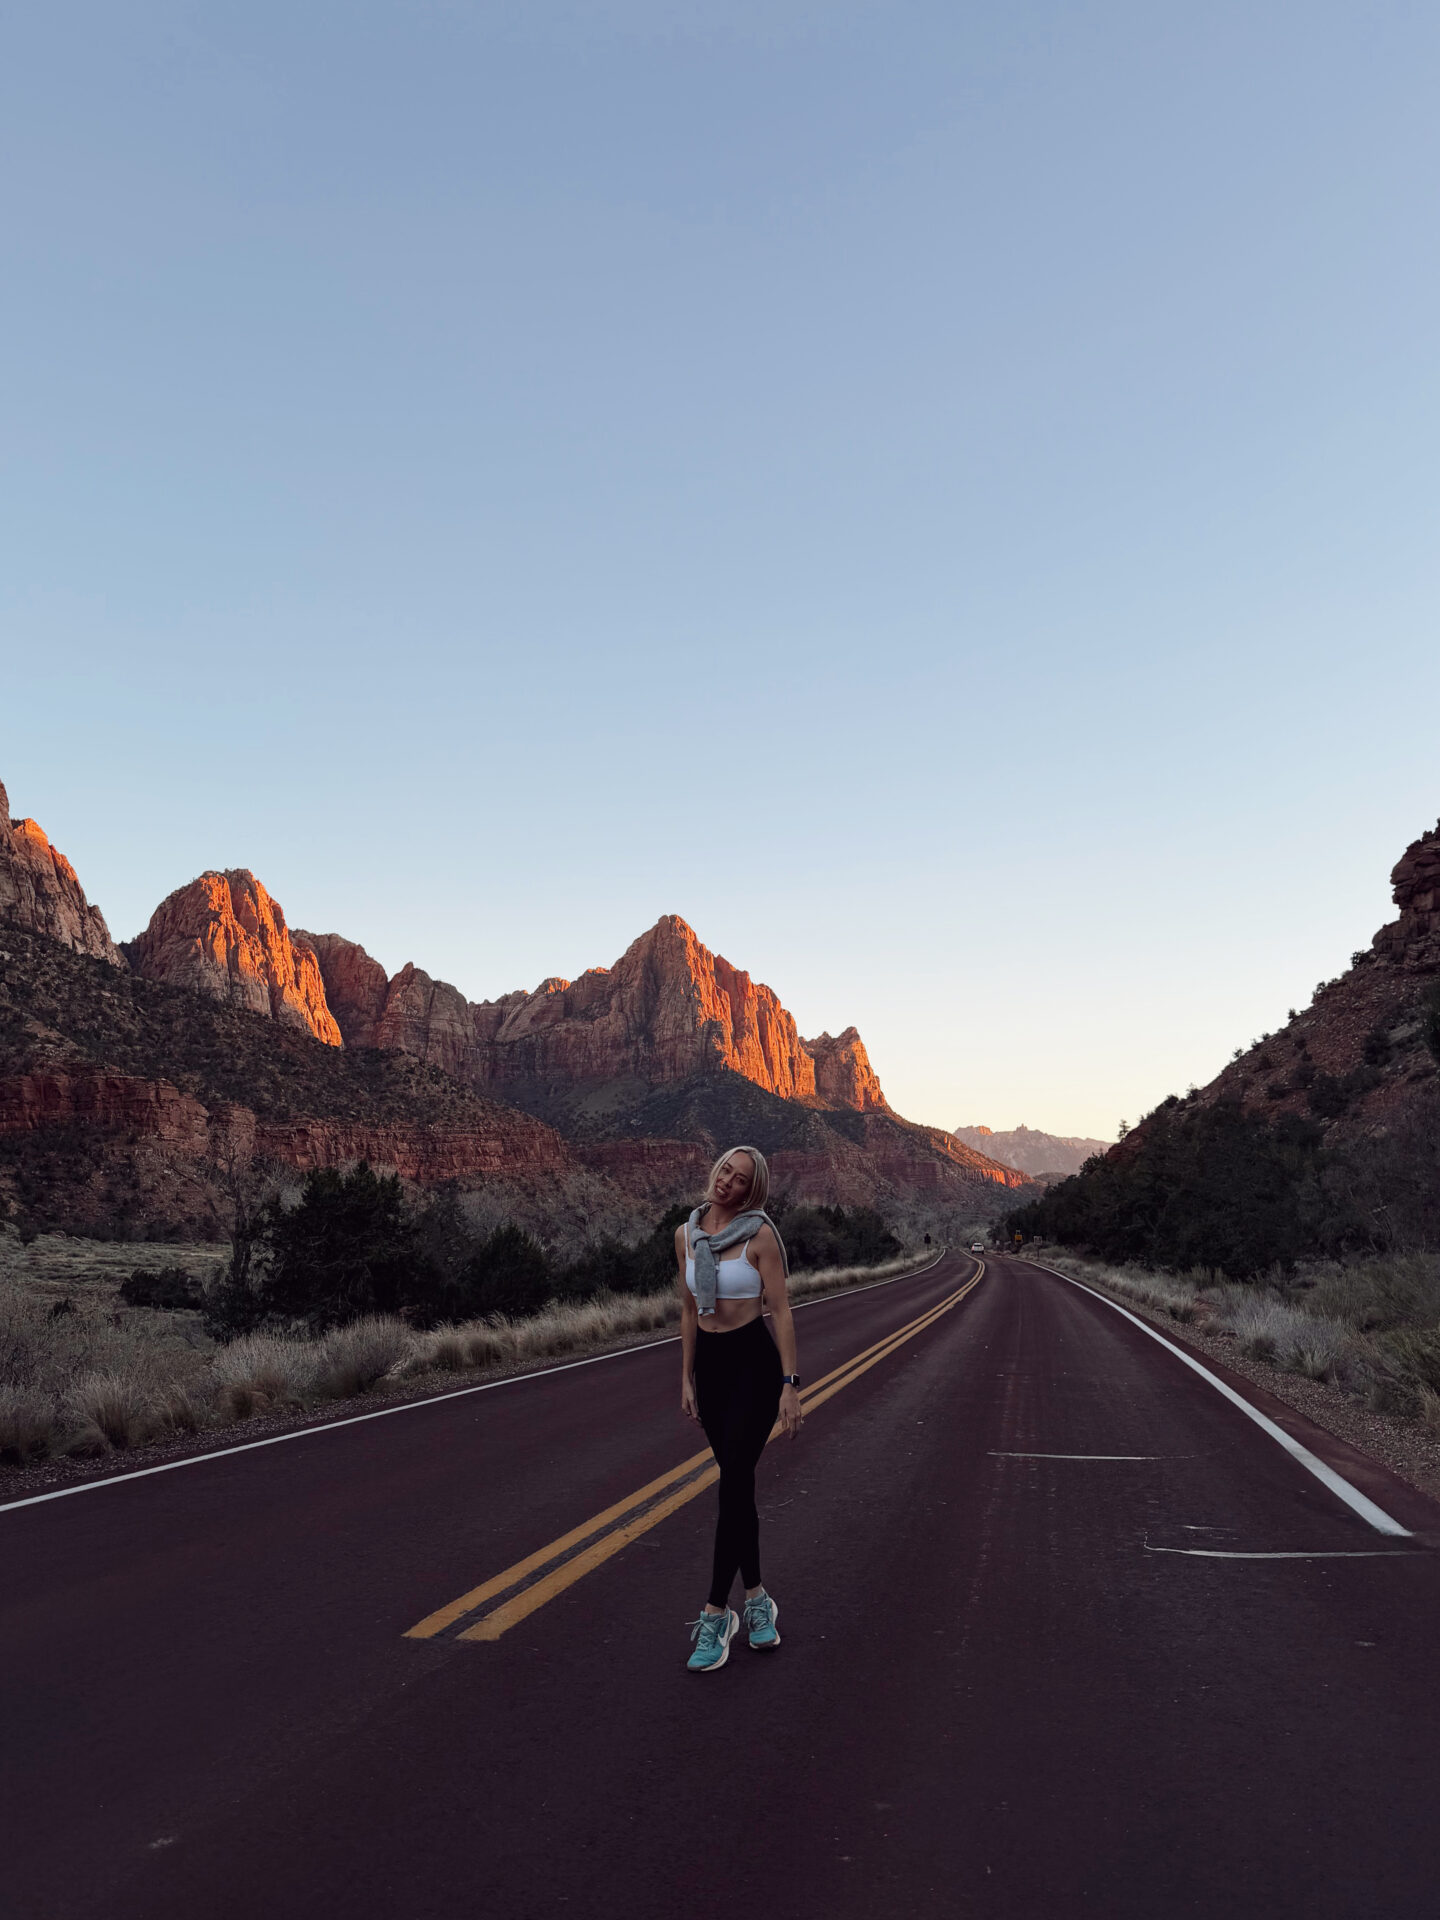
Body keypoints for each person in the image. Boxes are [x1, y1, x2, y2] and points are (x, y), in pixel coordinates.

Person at [675, 1144, 802, 1672]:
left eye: (741, 1179)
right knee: (737, 1486)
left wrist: (790, 1384)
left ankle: (714, 1613)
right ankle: (757, 1601)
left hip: (753, 1364)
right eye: (726, 1169)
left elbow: (782, 1312)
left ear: (752, 1191)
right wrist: (685, 1376)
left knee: (732, 1482)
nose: (727, 1181)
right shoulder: (686, 1234)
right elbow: (686, 1308)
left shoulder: (760, 1236)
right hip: (712, 1367)